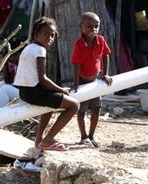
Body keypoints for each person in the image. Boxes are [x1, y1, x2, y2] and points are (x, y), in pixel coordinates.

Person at [14, 17, 79, 151]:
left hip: (25, 92)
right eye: (46, 34)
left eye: (52, 35)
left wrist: (56, 90)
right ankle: (48, 140)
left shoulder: (29, 48)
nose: (49, 38)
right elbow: (43, 79)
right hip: (34, 92)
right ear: (36, 34)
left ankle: (39, 140)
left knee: (50, 104)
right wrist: (61, 89)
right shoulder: (40, 50)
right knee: (74, 105)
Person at [70, 12, 113, 147]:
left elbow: (106, 55)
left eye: (96, 26)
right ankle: (83, 136)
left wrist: (105, 74)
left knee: (96, 108)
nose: (93, 30)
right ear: (81, 27)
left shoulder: (100, 40)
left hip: (95, 82)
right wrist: (76, 84)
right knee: (81, 110)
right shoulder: (79, 44)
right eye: (89, 27)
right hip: (83, 81)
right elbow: (76, 64)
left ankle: (92, 135)